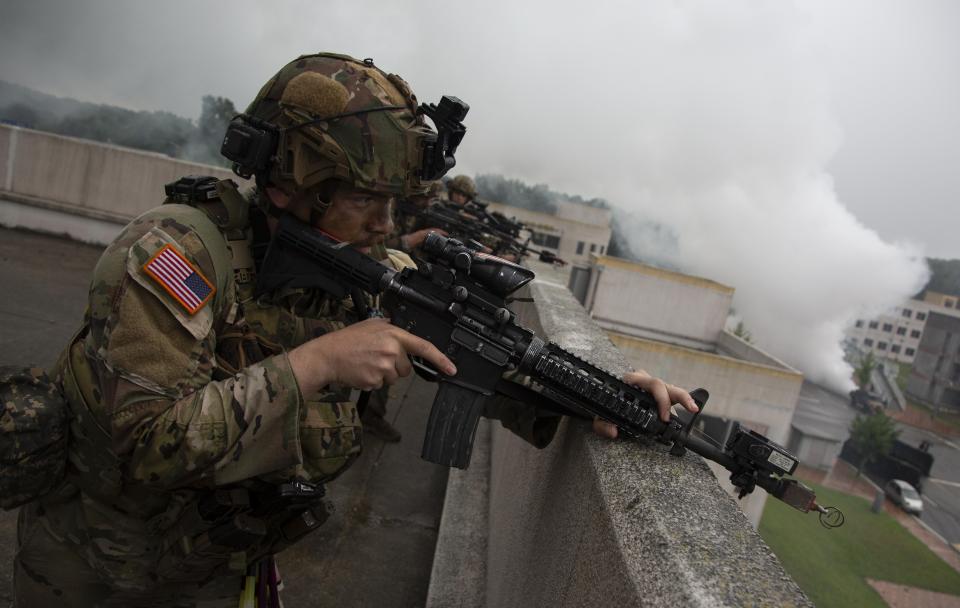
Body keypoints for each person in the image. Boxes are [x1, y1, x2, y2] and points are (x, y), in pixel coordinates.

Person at [12, 52, 696, 607]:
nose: (386, 224)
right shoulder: (173, 258)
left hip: (214, 568)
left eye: (396, 203)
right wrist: (317, 364)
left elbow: (476, 361)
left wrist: (607, 394)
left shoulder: (361, 268)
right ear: (291, 185)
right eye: (366, 199)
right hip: (100, 577)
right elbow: (146, 445)